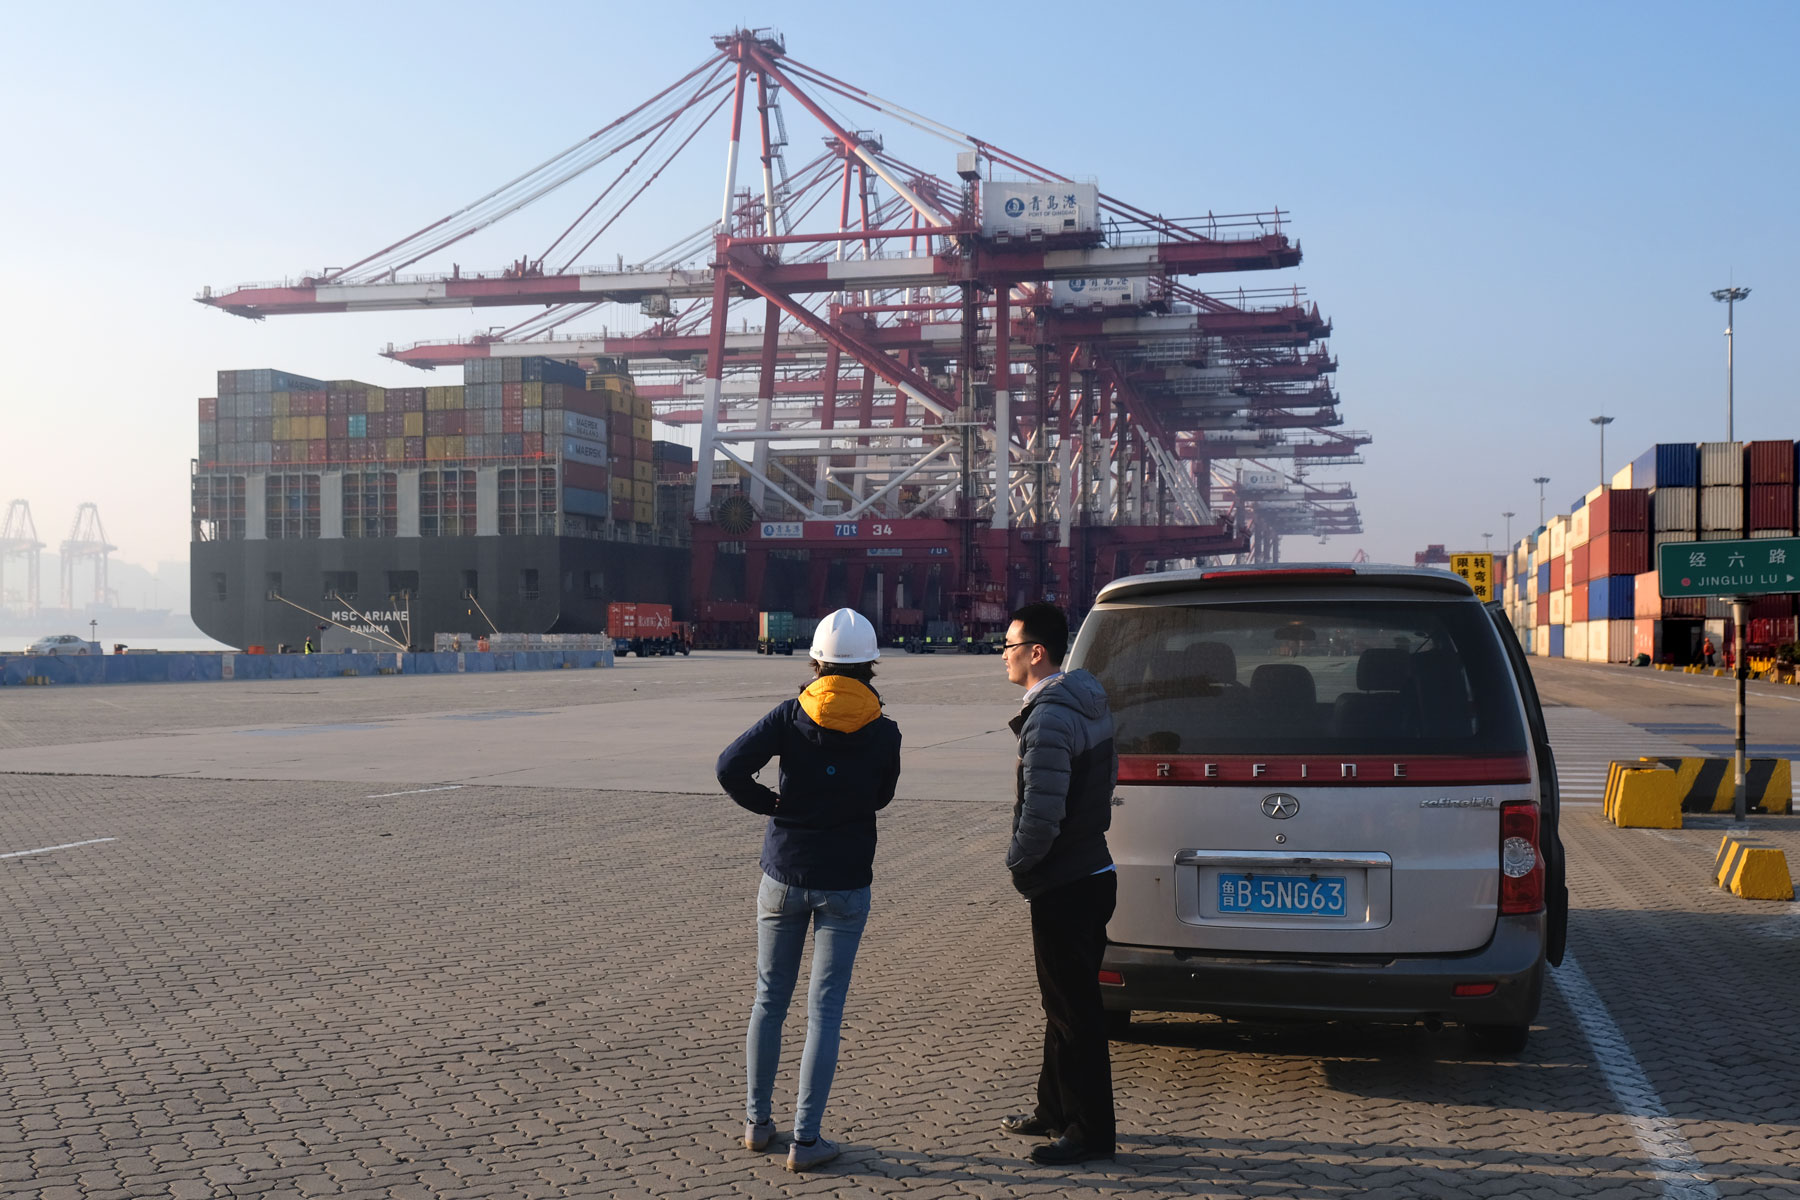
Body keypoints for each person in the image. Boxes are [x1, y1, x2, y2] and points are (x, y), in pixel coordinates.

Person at [716, 608, 902, 1172]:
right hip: (845, 880)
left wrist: (771, 805)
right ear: (870, 664)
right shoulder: (884, 729)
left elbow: (729, 768)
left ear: (816, 659)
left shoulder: (790, 714)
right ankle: (806, 1140)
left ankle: (757, 1124)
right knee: (825, 1012)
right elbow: (882, 796)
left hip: (784, 873)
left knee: (769, 1000)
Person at [997, 601, 1119, 1166]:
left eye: (1009, 646)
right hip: (1093, 870)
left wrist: (1019, 863)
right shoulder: (1089, 702)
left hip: (1064, 882)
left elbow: (1041, 816)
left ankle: (1089, 1132)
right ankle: (1054, 1110)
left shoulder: (1049, 716)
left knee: (1075, 1015)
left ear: (1036, 652)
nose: (1004, 656)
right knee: (1063, 1005)